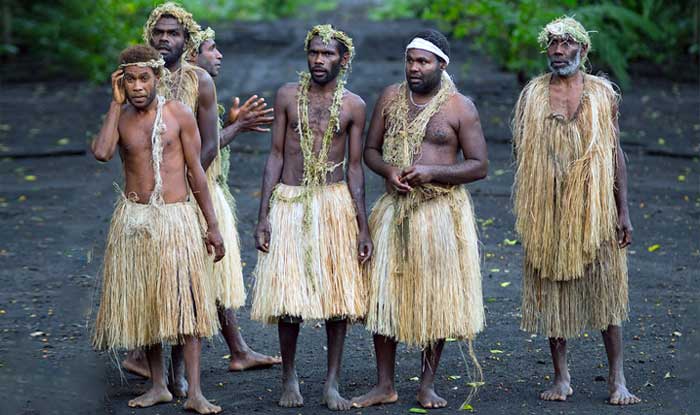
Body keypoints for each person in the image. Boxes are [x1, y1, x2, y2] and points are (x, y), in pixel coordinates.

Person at [124, 3, 275, 390]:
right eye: (158, 33)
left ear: (185, 41)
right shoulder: (140, 81)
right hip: (149, 205)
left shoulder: (199, 82)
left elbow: (206, 148)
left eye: (172, 34)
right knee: (157, 283)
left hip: (189, 198)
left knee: (191, 286)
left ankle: (180, 371)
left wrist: (185, 188)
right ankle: (154, 365)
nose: (164, 39)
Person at [351, 29, 487, 409]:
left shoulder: (460, 107)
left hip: (440, 212)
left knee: (435, 298)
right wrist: (389, 170)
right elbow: (371, 151)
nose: (414, 67)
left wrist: (433, 172)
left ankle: (427, 384)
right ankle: (384, 384)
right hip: (395, 211)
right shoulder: (391, 97)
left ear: (441, 65)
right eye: (410, 60)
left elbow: (479, 166)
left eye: (423, 61)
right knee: (384, 296)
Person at [512, 16, 640, 406]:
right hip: (547, 208)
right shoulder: (533, 95)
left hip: (595, 207)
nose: (558, 51)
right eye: (552, 44)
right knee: (552, 289)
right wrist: (539, 201)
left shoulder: (603, 94)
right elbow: (523, 154)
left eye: (566, 44)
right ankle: (561, 376)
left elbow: (615, 153)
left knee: (607, 289)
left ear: (583, 50)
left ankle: (617, 379)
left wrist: (623, 210)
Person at [91, 44, 224, 414]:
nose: (136, 86)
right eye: (129, 79)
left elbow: (196, 171)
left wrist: (211, 225)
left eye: (143, 78)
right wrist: (115, 103)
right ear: (121, 82)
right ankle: (158, 385)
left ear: (157, 77)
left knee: (188, 307)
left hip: (176, 219)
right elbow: (102, 152)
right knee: (146, 303)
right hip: (135, 222)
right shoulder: (120, 118)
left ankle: (195, 391)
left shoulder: (179, 114)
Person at [250, 24, 371, 410]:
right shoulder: (287, 96)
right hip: (290, 200)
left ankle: (332, 383)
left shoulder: (353, 105)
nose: (319, 60)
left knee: (338, 298)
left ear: (343, 59)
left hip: (334, 203)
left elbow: (355, 167)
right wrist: (263, 214)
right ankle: (289, 378)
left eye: (328, 54)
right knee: (289, 298)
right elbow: (275, 155)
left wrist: (361, 224)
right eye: (314, 53)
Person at [187, 26, 282, 371]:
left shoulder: (198, 86)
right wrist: (237, 129)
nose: (219, 55)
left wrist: (228, 124)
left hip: (204, 189)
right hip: (192, 194)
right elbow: (200, 152)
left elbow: (203, 138)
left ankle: (239, 349)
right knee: (197, 276)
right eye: (211, 49)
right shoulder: (187, 89)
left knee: (214, 275)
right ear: (192, 55)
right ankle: (150, 360)